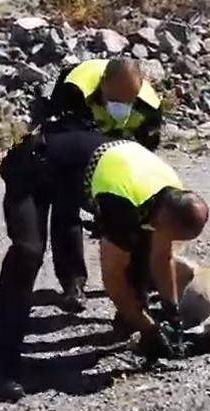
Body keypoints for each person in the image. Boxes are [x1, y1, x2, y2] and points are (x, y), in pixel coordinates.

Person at [0, 130, 208, 402]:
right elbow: (112, 277)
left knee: (142, 243)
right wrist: (150, 328)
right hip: (32, 166)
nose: (171, 239)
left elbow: (161, 257)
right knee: (28, 252)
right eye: (172, 233)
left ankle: (132, 320)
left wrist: (172, 311)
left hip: (72, 173)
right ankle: (4, 362)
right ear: (165, 215)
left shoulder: (171, 195)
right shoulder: (123, 201)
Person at [35, 57, 164, 314]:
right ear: (102, 85)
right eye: (115, 100)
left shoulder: (149, 106)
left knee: (139, 214)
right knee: (66, 205)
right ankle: (73, 283)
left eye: (128, 101)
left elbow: (146, 153)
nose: (122, 106)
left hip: (121, 154)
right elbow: (63, 140)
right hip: (78, 151)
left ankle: (138, 288)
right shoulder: (74, 90)